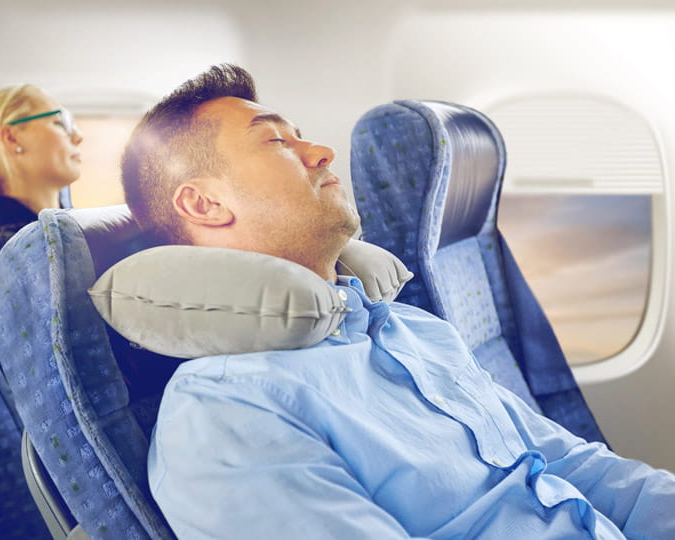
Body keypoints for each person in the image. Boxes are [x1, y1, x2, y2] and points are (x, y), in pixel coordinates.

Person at [121, 64, 675, 539]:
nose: (320, 152)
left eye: (302, 134)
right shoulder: (228, 412)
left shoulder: (410, 329)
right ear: (203, 203)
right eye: (276, 142)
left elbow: (571, 467)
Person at [0, 84, 83, 354]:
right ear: (12, 138)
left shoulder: (54, 226)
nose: (78, 136)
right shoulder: (2, 240)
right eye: (60, 122)